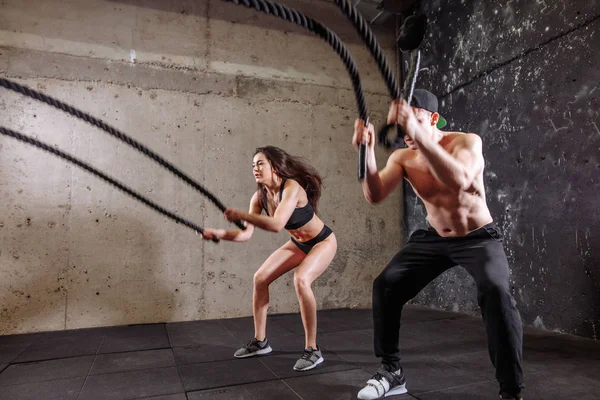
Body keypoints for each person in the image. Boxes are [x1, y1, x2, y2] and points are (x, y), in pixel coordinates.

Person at [352, 89, 524, 400]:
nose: (406, 132)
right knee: (386, 285)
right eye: (403, 126)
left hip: (477, 238)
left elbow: (459, 181)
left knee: (496, 293)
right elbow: (374, 195)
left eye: (414, 121)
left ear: (433, 119)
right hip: (434, 238)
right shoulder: (403, 156)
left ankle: (511, 392)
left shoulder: (467, 142)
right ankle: (392, 371)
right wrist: (365, 152)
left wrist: (419, 134)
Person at [198, 145, 337, 371]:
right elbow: (246, 234)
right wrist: (218, 233)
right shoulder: (260, 197)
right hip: (299, 244)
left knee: (301, 280)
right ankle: (260, 342)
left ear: (275, 166)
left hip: (323, 241)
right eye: (253, 165)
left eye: (260, 163)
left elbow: (276, 225)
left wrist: (239, 214)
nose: (255, 168)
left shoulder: (291, 188)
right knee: (260, 278)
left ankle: (313, 349)